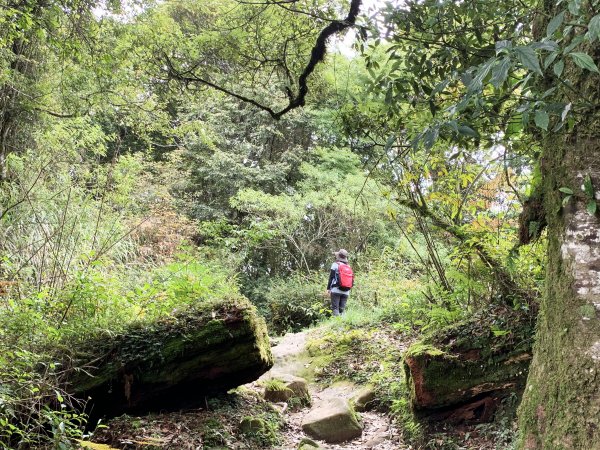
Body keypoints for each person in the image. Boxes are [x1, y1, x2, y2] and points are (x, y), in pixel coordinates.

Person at [326, 249, 352, 316]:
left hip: (336, 290)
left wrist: (328, 289)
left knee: (335, 309)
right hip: (346, 291)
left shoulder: (335, 264)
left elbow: (331, 277)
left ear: (338, 256)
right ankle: (343, 324)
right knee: (342, 309)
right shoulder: (348, 266)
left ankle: (338, 325)